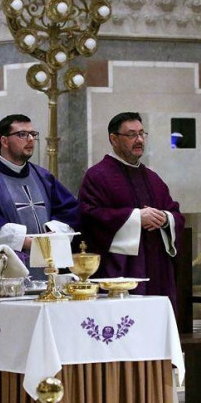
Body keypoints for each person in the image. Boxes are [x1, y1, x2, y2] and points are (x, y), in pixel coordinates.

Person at [77, 112, 184, 305]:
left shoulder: (152, 178)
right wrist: (135, 217)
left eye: (142, 134)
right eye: (132, 135)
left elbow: (175, 213)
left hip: (156, 268)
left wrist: (165, 218)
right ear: (114, 139)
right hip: (120, 268)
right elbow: (89, 216)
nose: (139, 140)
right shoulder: (98, 176)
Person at [0, 114, 79, 278]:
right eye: (22, 134)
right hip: (4, 272)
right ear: (4, 141)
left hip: (46, 271)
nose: (30, 139)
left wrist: (53, 232)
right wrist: (25, 241)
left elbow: (70, 211)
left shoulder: (42, 176)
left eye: (32, 134)